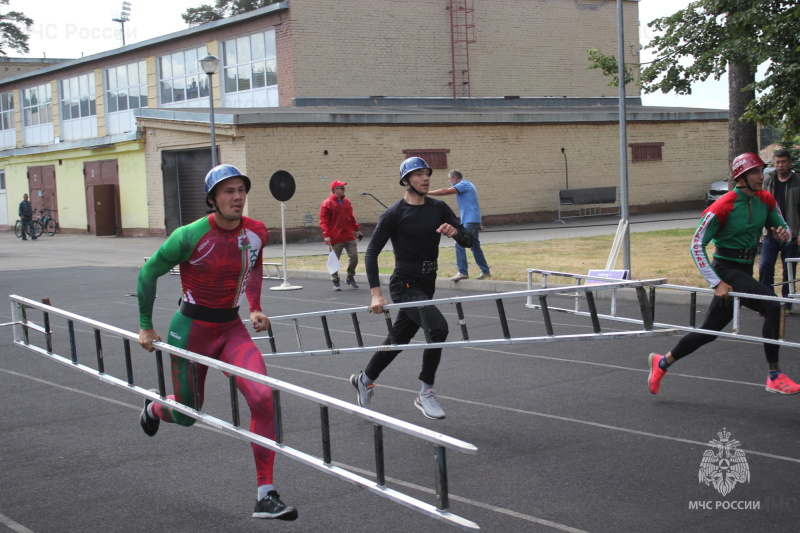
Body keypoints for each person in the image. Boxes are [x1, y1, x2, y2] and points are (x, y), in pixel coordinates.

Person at [137, 164, 297, 521]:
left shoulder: (257, 232)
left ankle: (265, 494)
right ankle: (154, 408)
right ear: (212, 199)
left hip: (231, 329)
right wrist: (146, 325)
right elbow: (149, 271)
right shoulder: (189, 235)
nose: (237, 197)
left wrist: (254, 306)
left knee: (263, 397)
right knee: (186, 414)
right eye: (228, 191)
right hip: (190, 330)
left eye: (241, 189)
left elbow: (254, 266)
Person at [648, 153, 800, 396]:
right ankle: (775, 376)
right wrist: (716, 282)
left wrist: (784, 234)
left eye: (762, 171)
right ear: (741, 177)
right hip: (725, 270)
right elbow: (696, 245)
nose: (761, 176)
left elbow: (783, 227)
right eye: (755, 172)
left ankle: (662, 363)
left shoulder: (766, 199)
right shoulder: (723, 205)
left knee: (710, 331)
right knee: (773, 305)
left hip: (745, 270)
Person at [349, 157, 472, 419]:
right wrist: (376, 294)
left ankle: (365, 378)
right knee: (438, 328)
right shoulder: (394, 213)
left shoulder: (438, 208)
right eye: (418, 175)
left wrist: (456, 233)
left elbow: (469, 240)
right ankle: (426, 391)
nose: (425, 178)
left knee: (399, 338)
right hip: (404, 284)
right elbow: (371, 253)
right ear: (405, 181)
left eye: (427, 173)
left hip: (427, 283)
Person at [429, 170, 490, 281]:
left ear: (455, 178)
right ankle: (485, 271)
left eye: (449, 178)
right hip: (473, 220)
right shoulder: (469, 185)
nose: (449, 181)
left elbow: (446, 191)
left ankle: (463, 272)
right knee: (475, 246)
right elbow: (474, 203)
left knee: (459, 244)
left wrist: (427, 193)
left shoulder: (463, 184)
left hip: (470, 220)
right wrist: (478, 222)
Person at [759, 149, 800, 314]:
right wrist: (763, 230)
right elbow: (762, 207)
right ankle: (766, 303)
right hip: (771, 233)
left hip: (792, 234)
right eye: (777, 162)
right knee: (765, 266)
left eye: (783, 162)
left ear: (789, 162)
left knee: (788, 270)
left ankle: (786, 304)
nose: (780, 165)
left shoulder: (798, 181)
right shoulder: (768, 182)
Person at [319, 180, 362, 290]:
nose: (343, 190)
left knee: (354, 257)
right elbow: (323, 221)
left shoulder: (347, 202)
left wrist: (357, 230)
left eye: (343, 188)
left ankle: (350, 277)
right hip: (335, 237)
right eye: (341, 188)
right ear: (334, 190)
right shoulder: (327, 204)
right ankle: (335, 280)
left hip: (348, 235)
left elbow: (351, 218)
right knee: (334, 259)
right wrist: (326, 235)